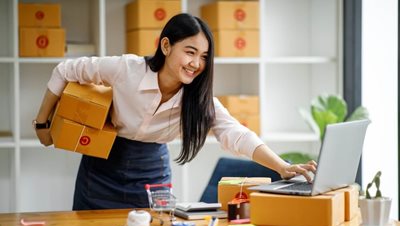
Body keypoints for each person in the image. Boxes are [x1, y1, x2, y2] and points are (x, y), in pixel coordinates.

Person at [34, 13, 316, 210]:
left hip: (152, 172)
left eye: (204, 57)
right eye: (190, 52)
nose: (196, 63)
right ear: (166, 45)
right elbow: (66, 69)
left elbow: (237, 135)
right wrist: (43, 124)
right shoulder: (127, 70)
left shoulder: (199, 100)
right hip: (102, 168)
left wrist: (281, 166)